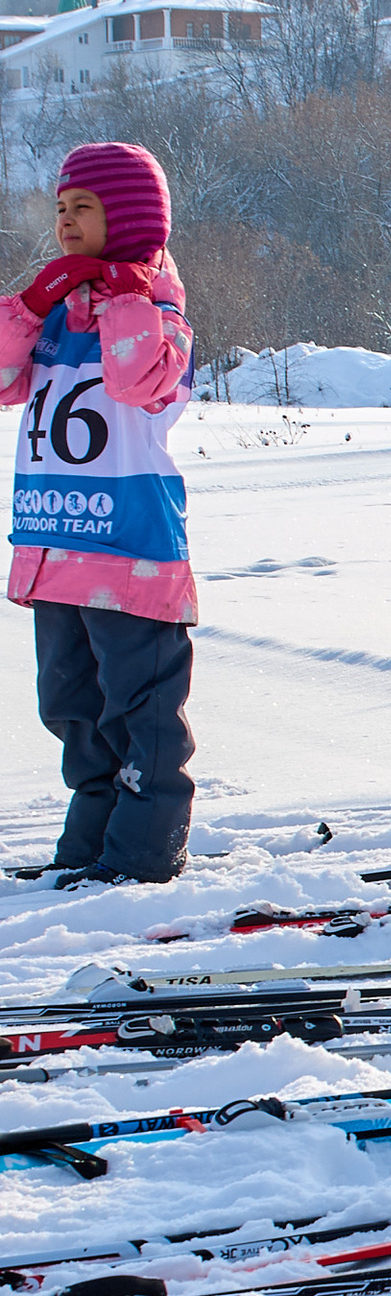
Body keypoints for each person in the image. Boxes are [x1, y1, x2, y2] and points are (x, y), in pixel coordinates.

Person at [3, 141, 197, 885]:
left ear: (132, 219)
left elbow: (134, 379)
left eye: (85, 207)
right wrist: (29, 303)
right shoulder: (54, 313)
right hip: (55, 551)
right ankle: (87, 845)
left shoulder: (159, 312)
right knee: (74, 712)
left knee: (141, 715)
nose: (67, 222)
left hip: (129, 552)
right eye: (61, 208)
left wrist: (123, 292)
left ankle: (144, 852)